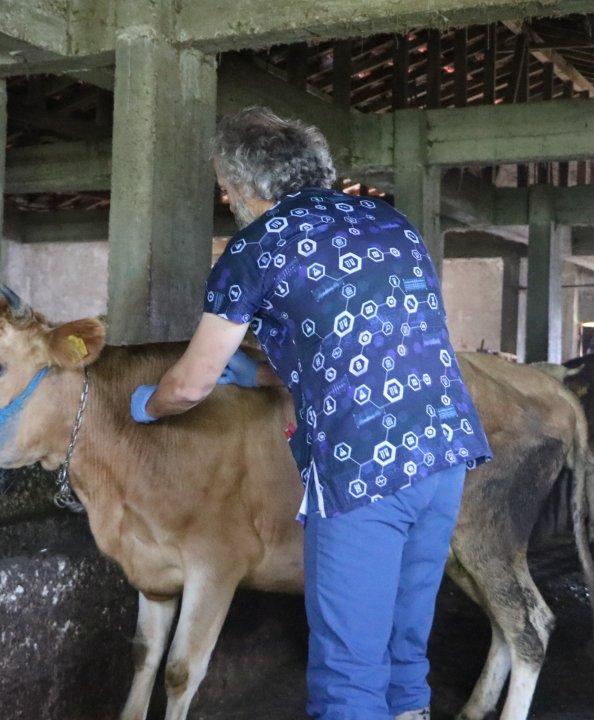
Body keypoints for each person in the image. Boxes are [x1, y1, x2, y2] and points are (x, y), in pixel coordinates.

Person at [128, 107, 491, 720]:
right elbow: (365, 343)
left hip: (364, 467)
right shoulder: (390, 221)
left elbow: (189, 386)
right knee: (404, 651)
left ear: (248, 184)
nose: (226, 198)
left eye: (225, 185)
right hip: (445, 454)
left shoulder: (256, 247)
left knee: (349, 674)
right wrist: (262, 374)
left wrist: (146, 405)